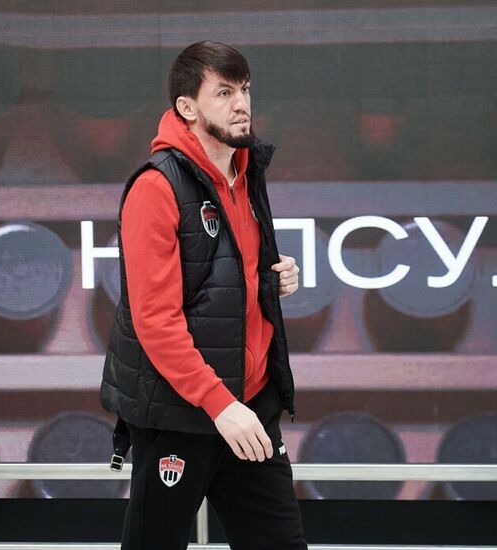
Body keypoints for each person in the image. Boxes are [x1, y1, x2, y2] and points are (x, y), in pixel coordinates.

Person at [100, 41, 308, 549]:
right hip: (182, 414)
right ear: (187, 107)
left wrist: (270, 278)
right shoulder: (156, 187)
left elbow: (219, 272)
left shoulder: (246, 169)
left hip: (250, 407)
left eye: (245, 90)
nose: (242, 104)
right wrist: (220, 405)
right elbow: (156, 320)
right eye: (224, 93)